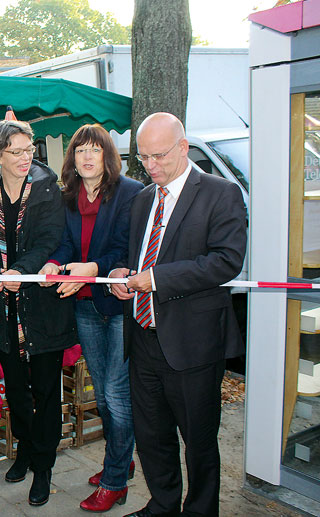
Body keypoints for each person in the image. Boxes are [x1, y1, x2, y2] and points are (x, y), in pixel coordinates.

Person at [109, 113, 247, 517]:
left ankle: (201, 511)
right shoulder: (141, 200)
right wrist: (121, 274)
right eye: (144, 158)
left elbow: (227, 261)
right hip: (143, 337)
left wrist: (157, 279)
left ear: (183, 147)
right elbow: (133, 258)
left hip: (193, 343)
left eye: (159, 156)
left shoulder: (221, 194)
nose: (151, 166)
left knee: (199, 441)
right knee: (152, 436)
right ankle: (163, 504)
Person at [40, 124, 143, 512]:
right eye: (80, 150)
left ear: (107, 156)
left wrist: (93, 267)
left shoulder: (130, 193)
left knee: (116, 396)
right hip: (83, 304)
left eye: (94, 151)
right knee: (101, 393)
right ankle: (123, 457)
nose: (86, 157)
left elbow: (127, 248)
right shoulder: (69, 197)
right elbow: (65, 243)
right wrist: (53, 263)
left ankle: (115, 480)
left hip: (117, 306)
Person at [0, 120, 76, 507]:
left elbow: (52, 238)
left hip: (40, 304)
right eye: (15, 150)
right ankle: (27, 452)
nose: (25, 156)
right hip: (1, 304)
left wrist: (21, 271)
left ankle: (44, 467)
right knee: (16, 389)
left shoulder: (48, 188)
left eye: (28, 148)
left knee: (46, 392)